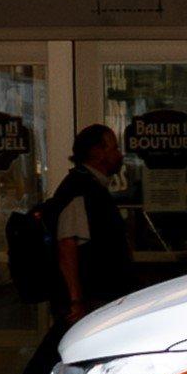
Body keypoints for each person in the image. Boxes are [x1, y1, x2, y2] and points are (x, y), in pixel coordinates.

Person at [47, 122, 137, 326]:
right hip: (92, 300)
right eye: (113, 148)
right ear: (98, 152)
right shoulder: (80, 190)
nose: (119, 155)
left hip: (99, 297)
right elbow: (67, 246)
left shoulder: (92, 187)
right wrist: (76, 300)